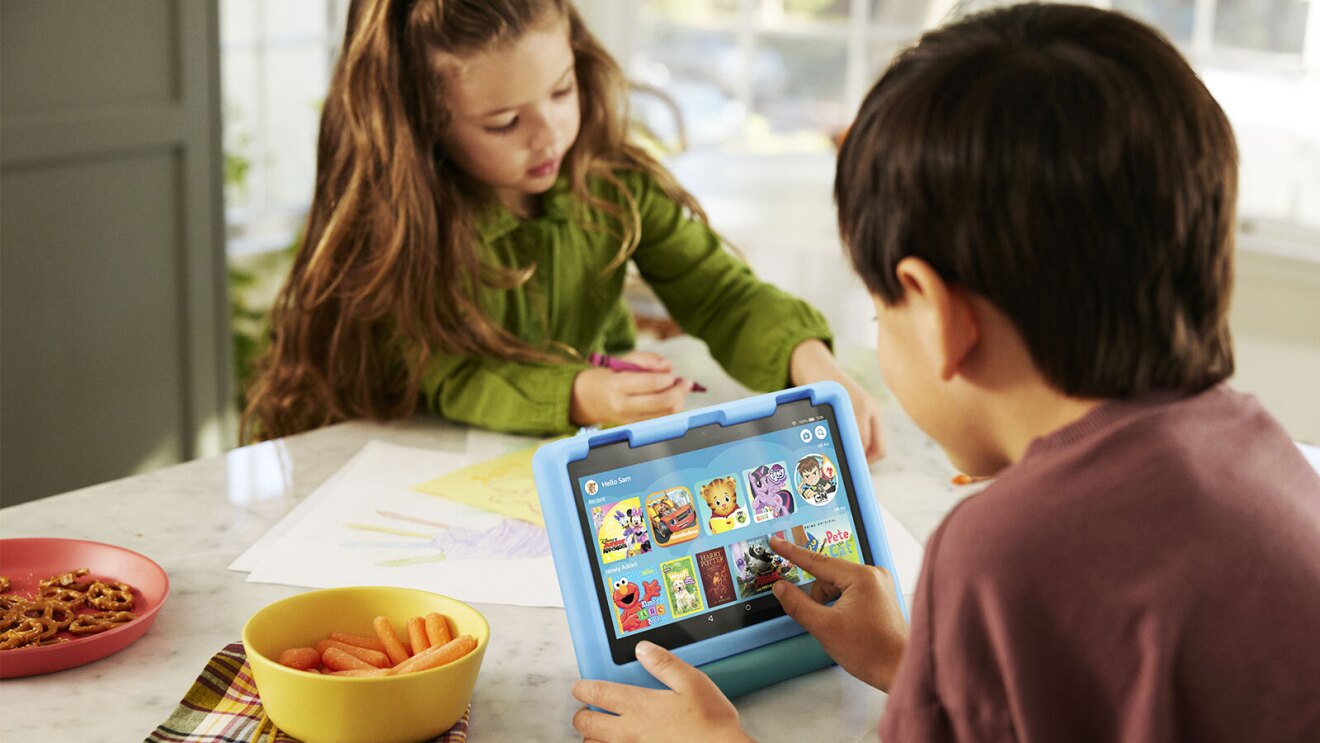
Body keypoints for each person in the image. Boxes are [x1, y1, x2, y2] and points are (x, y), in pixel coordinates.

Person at [569, 4, 1320, 741]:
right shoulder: (1270, 457)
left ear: (937, 314)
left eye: (879, 309)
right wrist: (914, 662)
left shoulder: (1003, 553)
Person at [239, 0, 883, 458]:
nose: (549, 134)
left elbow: (721, 295)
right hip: (414, 475)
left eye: (562, 90)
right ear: (425, 123)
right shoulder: (405, 226)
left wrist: (810, 362)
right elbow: (451, 373)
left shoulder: (614, 186)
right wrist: (579, 393)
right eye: (502, 122)